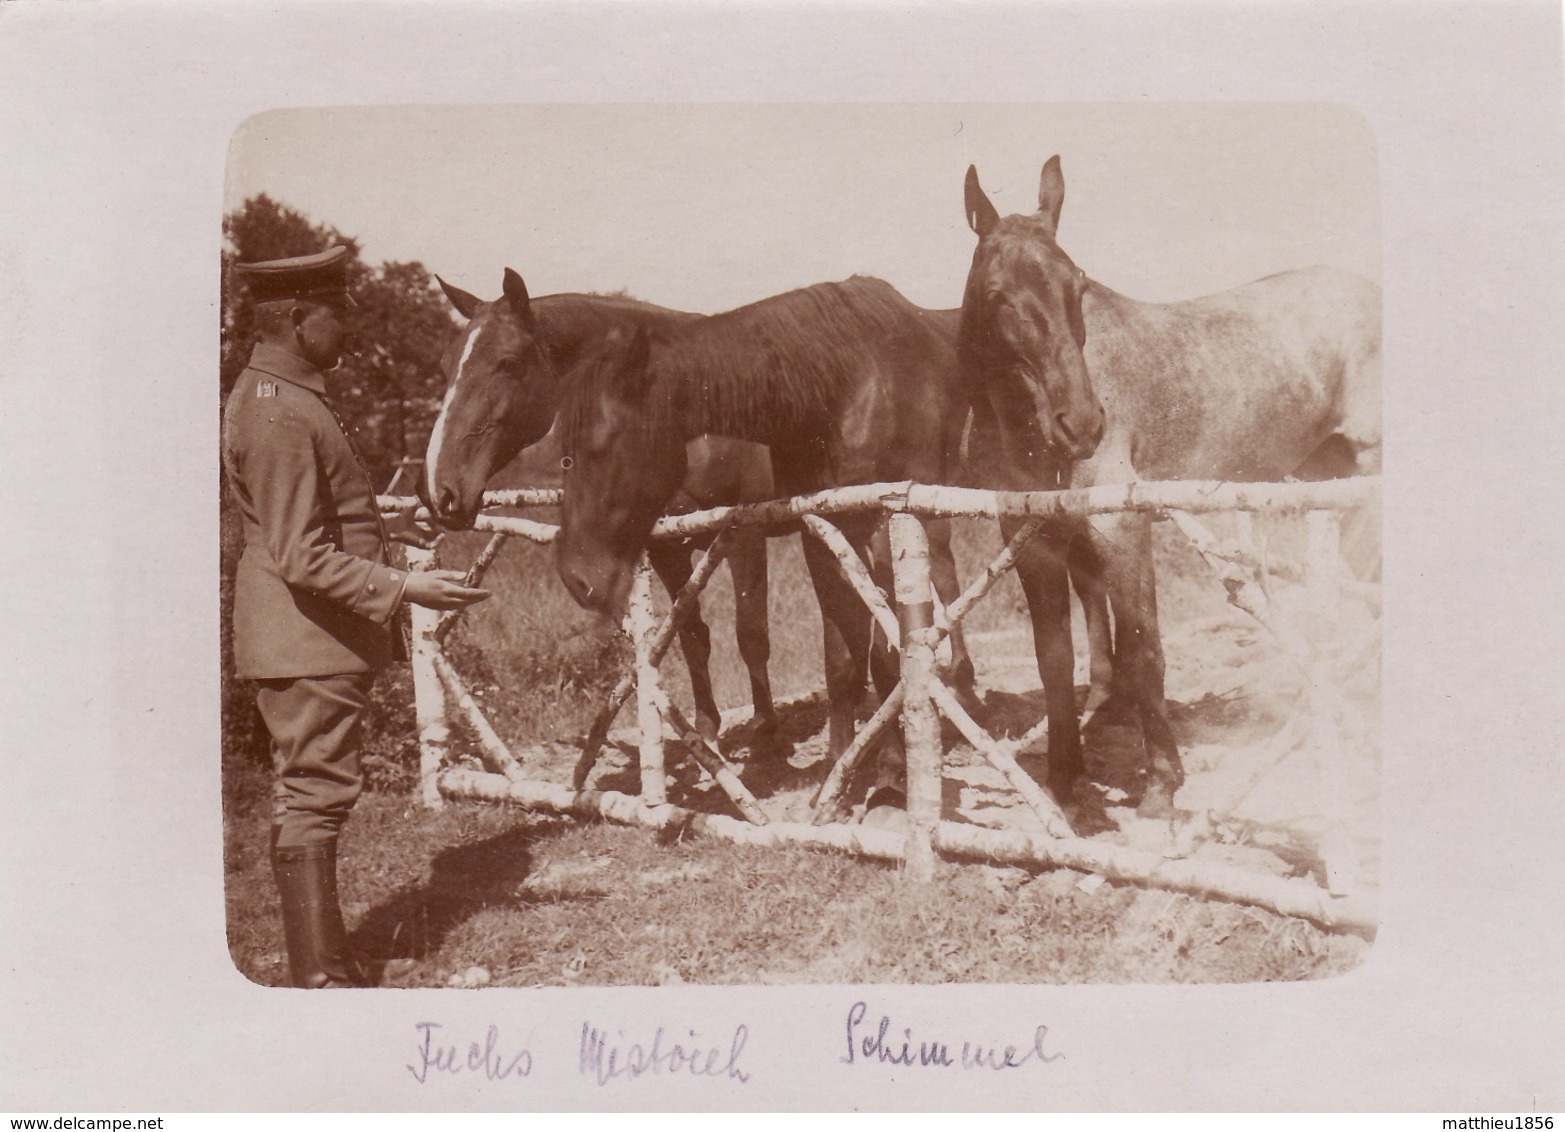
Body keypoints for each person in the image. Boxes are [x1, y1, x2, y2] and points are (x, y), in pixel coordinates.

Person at [222, 246, 489, 988]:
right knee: (313, 792)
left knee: (318, 791)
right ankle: (319, 975)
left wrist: (394, 556)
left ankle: (329, 959)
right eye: (337, 315)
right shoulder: (278, 411)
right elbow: (300, 555)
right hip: (305, 637)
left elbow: (320, 530)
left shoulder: (284, 395)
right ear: (300, 320)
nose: (348, 331)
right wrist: (406, 591)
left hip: (310, 633)